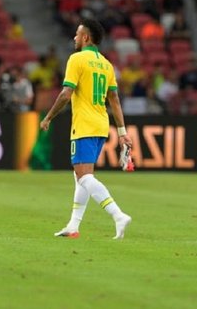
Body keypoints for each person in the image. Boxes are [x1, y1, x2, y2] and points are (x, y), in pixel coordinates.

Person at [40, 19, 133, 240]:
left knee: (84, 177)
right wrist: (122, 133)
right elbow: (115, 100)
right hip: (101, 125)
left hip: (84, 125)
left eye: (77, 34)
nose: (74, 38)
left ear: (86, 38)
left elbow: (65, 93)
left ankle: (118, 214)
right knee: (80, 176)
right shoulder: (107, 64)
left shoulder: (77, 59)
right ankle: (73, 226)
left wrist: (49, 117)